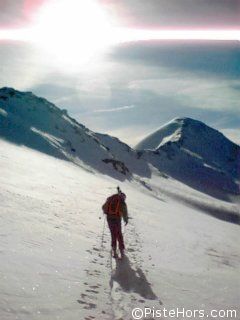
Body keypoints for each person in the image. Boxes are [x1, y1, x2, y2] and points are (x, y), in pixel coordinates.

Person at [102, 187, 128, 259]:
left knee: (113, 234)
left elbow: (103, 207)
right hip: (117, 219)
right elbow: (125, 212)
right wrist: (126, 220)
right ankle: (121, 250)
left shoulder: (111, 198)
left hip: (109, 218)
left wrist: (106, 212)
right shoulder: (122, 202)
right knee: (119, 234)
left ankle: (114, 250)